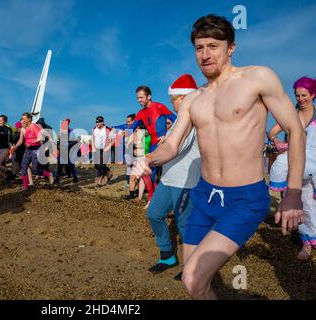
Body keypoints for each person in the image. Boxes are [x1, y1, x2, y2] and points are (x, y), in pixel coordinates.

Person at [134, 14, 304, 299]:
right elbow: (172, 145)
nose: (205, 54)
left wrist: (294, 192)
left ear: (231, 47)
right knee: (194, 285)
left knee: (192, 277)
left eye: (213, 46)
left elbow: (295, 131)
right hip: (204, 195)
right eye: (199, 48)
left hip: (245, 198)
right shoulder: (193, 100)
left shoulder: (257, 78)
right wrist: (149, 159)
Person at [145, 74, 201, 274]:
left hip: (187, 181)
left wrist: (149, 159)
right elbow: (171, 143)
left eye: (174, 100)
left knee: (185, 224)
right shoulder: (179, 121)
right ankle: (168, 256)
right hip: (168, 179)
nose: (173, 105)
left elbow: (177, 147)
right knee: (153, 214)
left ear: (184, 98)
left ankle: (193, 267)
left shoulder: (192, 120)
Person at [267, 76, 316, 260]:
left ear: (313, 95)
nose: (300, 99)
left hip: (313, 165)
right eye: (297, 95)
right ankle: (306, 244)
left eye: (304, 95)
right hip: (294, 165)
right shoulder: (291, 115)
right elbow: (272, 133)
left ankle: (312, 238)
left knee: (312, 205)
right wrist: (278, 142)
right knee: (302, 202)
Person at [12, 112, 52, 192]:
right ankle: (26, 187)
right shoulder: (23, 129)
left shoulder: (34, 126)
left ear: (29, 119)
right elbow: (21, 139)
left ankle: (49, 174)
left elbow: (40, 138)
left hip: (36, 149)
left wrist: (31, 143)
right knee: (24, 168)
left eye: (24, 118)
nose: (22, 120)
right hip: (28, 150)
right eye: (22, 118)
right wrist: (15, 146)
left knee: (35, 170)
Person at [91, 116, 114, 186]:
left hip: (105, 150)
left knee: (101, 166)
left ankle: (99, 181)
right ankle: (108, 173)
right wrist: (93, 147)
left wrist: (108, 147)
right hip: (97, 149)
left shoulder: (107, 129)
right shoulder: (94, 129)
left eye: (98, 122)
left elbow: (114, 140)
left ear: (102, 122)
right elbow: (92, 138)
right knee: (96, 166)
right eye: (96, 122)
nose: (97, 123)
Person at [0, 115, 14, 181]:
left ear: (5, 121)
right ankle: (7, 178)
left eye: (0, 120)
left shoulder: (8, 129)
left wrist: (11, 151)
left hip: (5, 149)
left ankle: (10, 172)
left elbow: (10, 140)